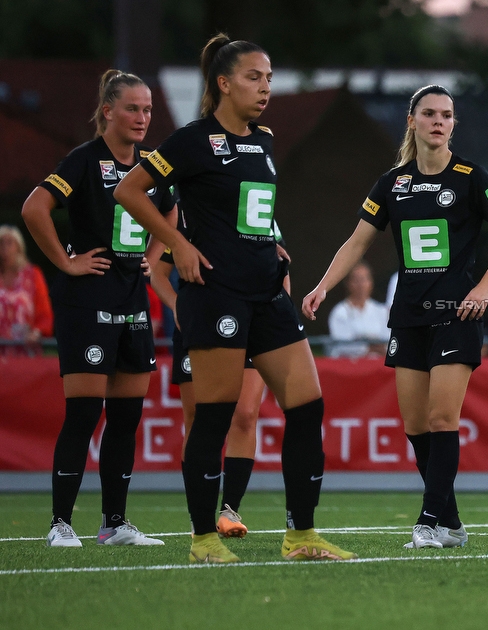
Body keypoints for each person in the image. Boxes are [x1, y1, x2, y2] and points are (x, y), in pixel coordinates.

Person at [115, 34, 355, 563]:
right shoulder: (192, 140)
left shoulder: (263, 141)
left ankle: (301, 535)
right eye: (254, 77)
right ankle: (203, 539)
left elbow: (251, 212)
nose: (265, 87)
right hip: (215, 295)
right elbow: (128, 191)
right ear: (223, 83)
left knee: (308, 407)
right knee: (215, 416)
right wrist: (176, 244)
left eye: (269, 77)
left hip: (267, 294)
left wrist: (273, 245)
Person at [303, 84, 488, 549]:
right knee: (416, 426)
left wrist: (485, 288)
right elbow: (356, 242)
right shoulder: (391, 183)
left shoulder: (471, 176)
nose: (439, 121)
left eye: (447, 115)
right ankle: (453, 524)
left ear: (452, 125)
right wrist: (323, 285)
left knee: (443, 419)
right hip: (407, 315)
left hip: (455, 312)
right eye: (429, 114)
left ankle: (426, 522)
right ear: (412, 121)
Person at [21, 69, 172, 548]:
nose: (142, 118)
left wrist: (152, 260)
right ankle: (60, 524)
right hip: (87, 301)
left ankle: (114, 523)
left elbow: (172, 209)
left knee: (127, 418)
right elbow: (33, 208)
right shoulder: (85, 160)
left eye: (147, 109)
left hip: (132, 301)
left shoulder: (152, 164)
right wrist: (65, 263)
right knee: (84, 414)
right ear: (108, 111)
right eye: (132, 108)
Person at [149, 216, 292, 539]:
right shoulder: (189, 212)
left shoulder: (259, 208)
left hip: (252, 321)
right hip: (200, 321)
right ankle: (198, 513)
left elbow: (280, 269)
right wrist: (177, 307)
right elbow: (158, 273)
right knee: (198, 418)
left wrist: (279, 311)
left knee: (245, 414)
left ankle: (230, 510)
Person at [0, 224, 54, 356]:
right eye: (1, 243)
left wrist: (37, 332)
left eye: (9, 243)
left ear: (19, 247)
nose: (4, 249)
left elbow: (45, 313)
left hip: (26, 350)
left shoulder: (32, 275)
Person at [327, 261, 390, 358]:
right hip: (349, 367)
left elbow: (388, 339)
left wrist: (379, 348)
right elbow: (343, 344)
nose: (361, 285)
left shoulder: (381, 311)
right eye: (356, 280)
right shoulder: (339, 312)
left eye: (364, 279)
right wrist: (368, 348)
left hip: (378, 366)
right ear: (348, 283)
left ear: (371, 282)